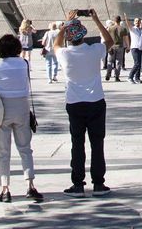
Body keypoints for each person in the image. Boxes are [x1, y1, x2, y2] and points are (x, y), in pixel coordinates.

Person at [54, 14, 114, 196]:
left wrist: (65, 26)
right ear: (83, 35)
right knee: (97, 143)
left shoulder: (65, 54)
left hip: (74, 103)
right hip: (95, 101)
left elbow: (55, 44)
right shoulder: (94, 50)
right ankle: (98, 183)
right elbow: (110, 41)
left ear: (69, 37)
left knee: (77, 143)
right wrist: (96, 19)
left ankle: (78, 183)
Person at [0, 34, 43, 203]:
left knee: (3, 151)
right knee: (25, 148)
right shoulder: (23, 64)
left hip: (2, 108)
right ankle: (30, 185)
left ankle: (5, 188)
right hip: (21, 107)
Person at [127, 17, 142, 84]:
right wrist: (126, 18)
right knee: (137, 63)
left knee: (140, 64)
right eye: (136, 21)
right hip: (134, 48)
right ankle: (130, 77)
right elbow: (128, 24)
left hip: (140, 48)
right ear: (134, 22)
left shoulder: (141, 30)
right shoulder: (133, 29)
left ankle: (137, 78)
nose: (137, 22)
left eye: (138, 21)